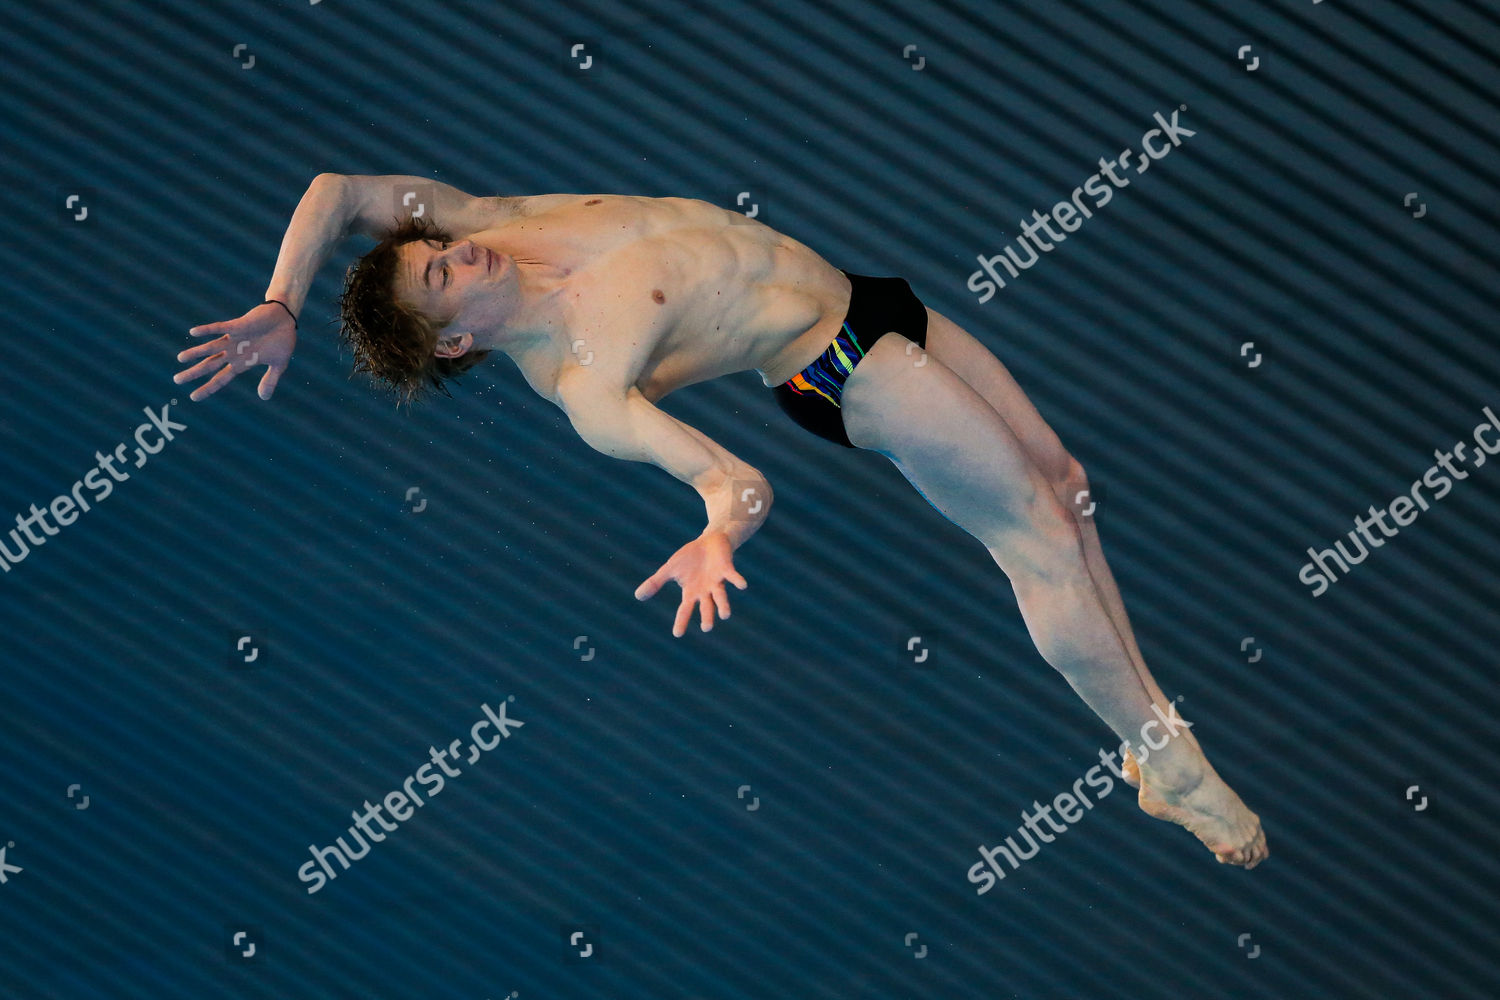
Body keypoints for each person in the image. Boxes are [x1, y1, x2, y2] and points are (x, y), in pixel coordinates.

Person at [176, 173, 1267, 868]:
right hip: (840, 365)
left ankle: (1152, 742)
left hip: (866, 294)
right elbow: (738, 484)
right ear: (455, 340)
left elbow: (333, 190)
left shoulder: (498, 220)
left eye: (440, 249)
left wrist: (280, 300)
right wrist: (715, 532)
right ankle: (1164, 761)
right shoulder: (589, 387)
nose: (458, 254)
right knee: (1032, 532)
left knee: (1065, 484)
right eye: (442, 277)